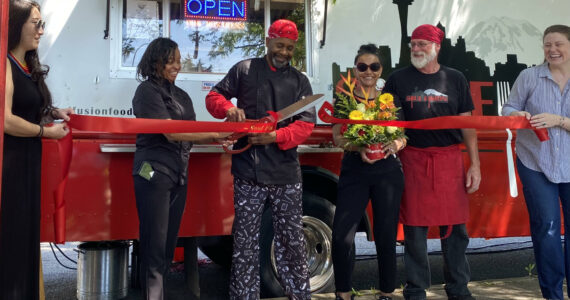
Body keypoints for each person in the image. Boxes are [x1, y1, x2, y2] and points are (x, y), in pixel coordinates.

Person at [205, 19, 316, 300]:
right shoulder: (244, 69)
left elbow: (305, 124)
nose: (285, 52)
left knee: (291, 241)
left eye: (290, 48)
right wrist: (228, 108)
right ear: (268, 41)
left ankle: (299, 295)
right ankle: (244, 296)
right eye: (280, 45)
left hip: (286, 174)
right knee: (245, 243)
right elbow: (214, 96)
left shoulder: (299, 80)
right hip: (248, 172)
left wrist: (276, 137)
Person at [382, 24, 481, 300]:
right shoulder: (397, 80)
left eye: (422, 44)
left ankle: (458, 288)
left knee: (456, 229)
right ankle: (415, 289)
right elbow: (390, 123)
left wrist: (475, 164)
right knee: (414, 229)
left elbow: (467, 124)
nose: (416, 49)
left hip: (449, 159)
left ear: (437, 47)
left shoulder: (456, 78)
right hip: (413, 160)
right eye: (413, 44)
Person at [131, 37, 230, 300]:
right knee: (154, 245)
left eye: (178, 59)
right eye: (170, 59)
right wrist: (214, 135)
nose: (177, 64)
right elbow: (172, 133)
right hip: (152, 172)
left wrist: (217, 133)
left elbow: (190, 132)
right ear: (156, 61)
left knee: (165, 246)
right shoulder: (147, 92)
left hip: (178, 174)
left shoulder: (182, 95)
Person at [0, 1, 73, 299]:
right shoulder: (5, 63)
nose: (41, 30)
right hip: (12, 164)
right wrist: (47, 132)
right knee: (14, 236)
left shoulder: (27, 65)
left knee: (26, 236)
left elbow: (29, 107)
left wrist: (54, 111)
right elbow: (5, 119)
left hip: (28, 161)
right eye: (36, 23)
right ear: (17, 25)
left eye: (43, 23)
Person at [331, 44, 406, 300]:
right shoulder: (344, 98)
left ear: (380, 70)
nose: (368, 72)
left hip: (388, 171)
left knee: (386, 236)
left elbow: (403, 135)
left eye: (374, 66)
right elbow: (337, 138)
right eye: (362, 66)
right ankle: (342, 294)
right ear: (355, 69)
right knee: (342, 236)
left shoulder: (390, 99)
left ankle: (386, 293)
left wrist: (394, 143)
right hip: (355, 169)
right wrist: (358, 145)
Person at [501, 24, 570, 300]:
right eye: (547, 45)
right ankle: (552, 294)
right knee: (547, 228)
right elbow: (508, 108)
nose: (552, 50)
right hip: (536, 163)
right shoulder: (529, 76)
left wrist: (559, 121)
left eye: (559, 44)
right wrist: (519, 114)